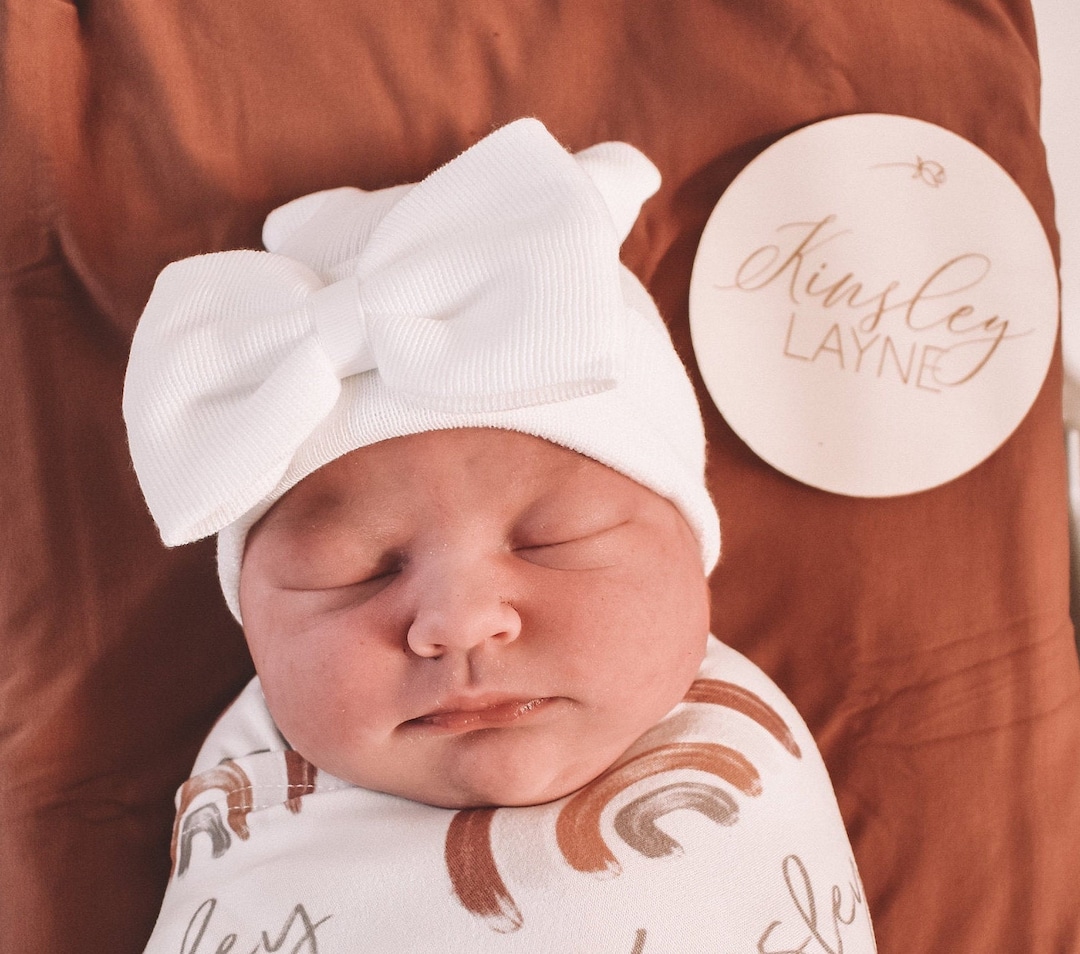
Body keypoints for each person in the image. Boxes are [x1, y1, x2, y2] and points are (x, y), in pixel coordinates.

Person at [125, 119, 876, 953]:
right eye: (357, 571)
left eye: (552, 539)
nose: (458, 620)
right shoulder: (251, 802)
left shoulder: (736, 742)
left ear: (692, 557)